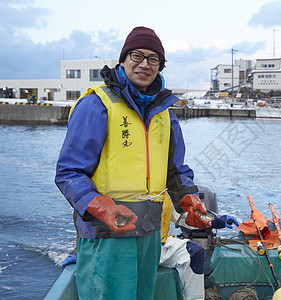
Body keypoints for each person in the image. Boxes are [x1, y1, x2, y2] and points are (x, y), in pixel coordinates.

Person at [55, 26, 211, 300]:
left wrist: (188, 200)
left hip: (150, 235)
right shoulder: (96, 105)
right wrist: (101, 208)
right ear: (123, 59)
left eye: (153, 59)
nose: (144, 64)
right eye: (137, 55)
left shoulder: (166, 115)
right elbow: (69, 173)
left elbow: (175, 172)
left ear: (160, 66)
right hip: (106, 237)